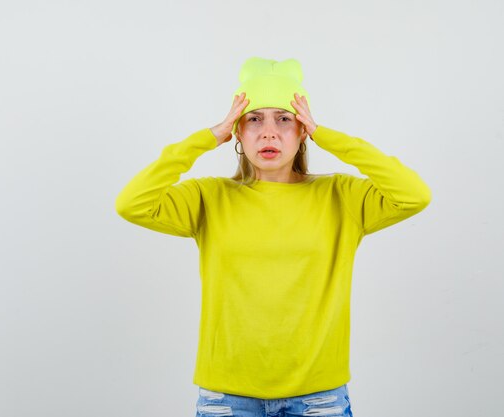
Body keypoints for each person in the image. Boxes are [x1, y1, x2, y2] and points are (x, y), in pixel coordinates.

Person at [115, 57, 432, 417]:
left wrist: (329, 137)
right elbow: (132, 203)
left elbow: (414, 194)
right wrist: (207, 138)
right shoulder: (209, 197)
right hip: (227, 398)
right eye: (254, 119)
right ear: (237, 131)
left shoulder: (341, 197)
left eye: (284, 119)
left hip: (318, 398)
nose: (269, 132)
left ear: (302, 130)